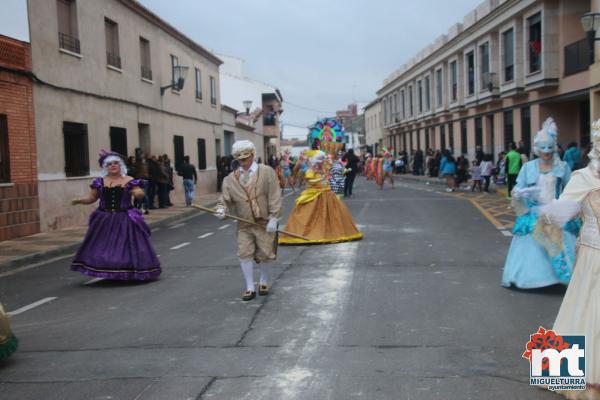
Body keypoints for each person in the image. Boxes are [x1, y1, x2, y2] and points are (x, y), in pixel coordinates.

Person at [546, 119, 600, 399]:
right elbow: (560, 214)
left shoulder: (583, 178)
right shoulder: (584, 178)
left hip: (593, 252)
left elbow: (558, 215)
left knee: (586, 308)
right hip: (594, 256)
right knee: (587, 308)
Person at [501, 118, 577, 289]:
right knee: (532, 242)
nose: (546, 151)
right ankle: (534, 279)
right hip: (534, 212)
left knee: (562, 241)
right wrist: (519, 193)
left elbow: (571, 188)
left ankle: (561, 278)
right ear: (536, 149)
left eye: (550, 147)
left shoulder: (562, 167)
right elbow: (518, 187)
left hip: (557, 211)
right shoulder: (528, 167)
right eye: (542, 148)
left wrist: (567, 205)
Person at [71, 151, 161, 280]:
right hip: (104, 218)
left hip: (124, 217)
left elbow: (137, 191)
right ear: (105, 167)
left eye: (115, 163)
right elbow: (92, 198)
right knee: (102, 245)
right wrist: (79, 200)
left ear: (121, 166)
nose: (112, 166)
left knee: (125, 245)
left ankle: (127, 270)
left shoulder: (128, 180)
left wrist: (139, 193)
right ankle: (107, 270)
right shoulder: (99, 181)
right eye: (109, 164)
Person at [215, 141, 282, 301]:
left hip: (264, 222)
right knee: (244, 252)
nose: (243, 162)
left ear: (252, 155)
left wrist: (274, 217)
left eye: (246, 158)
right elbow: (225, 199)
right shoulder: (230, 179)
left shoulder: (267, 172)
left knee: (265, 253)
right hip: (244, 224)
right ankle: (250, 287)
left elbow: (274, 195)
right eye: (239, 159)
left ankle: (264, 281)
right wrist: (221, 209)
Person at [279, 151, 363, 245]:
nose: (323, 161)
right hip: (314, 194)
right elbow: (311, 181)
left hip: (327, 194)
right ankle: (310, 232)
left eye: (323, 160)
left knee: (334, 215)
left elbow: (334, 169)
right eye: (321, 160)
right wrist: (322, 178)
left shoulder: (324, 169)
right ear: (316, 162)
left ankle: (331, 232)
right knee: (307, 214)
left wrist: (342, 171)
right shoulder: (310, 171)